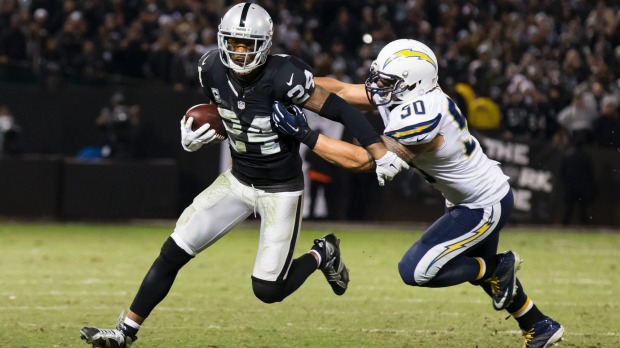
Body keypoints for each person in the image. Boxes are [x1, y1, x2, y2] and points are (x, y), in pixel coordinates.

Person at [79, 4, 408, 348]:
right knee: (173, 251)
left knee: (268, 290)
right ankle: (124, 333)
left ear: (265, 45)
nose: (238, 52)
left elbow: (340, 108)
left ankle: (321, 253)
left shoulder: (286, 75)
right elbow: (232, 112)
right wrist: (201, 133)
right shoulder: (210, 69)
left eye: (246, 44)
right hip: (237, 180)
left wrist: (378, 149)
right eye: (233, 43)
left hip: (281, 189)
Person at [272, 39, 564, 348]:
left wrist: (304, 134)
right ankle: (540, 325)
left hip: (482, 204)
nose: (377, 86)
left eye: (388, 81)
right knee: (485, 275)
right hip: (469, 199)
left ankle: (496, 267)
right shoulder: (409, 94)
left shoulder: (422, 118)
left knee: (416, 270)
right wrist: (291, 83)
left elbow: (366, 160)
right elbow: (342, 91)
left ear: (414, 83)